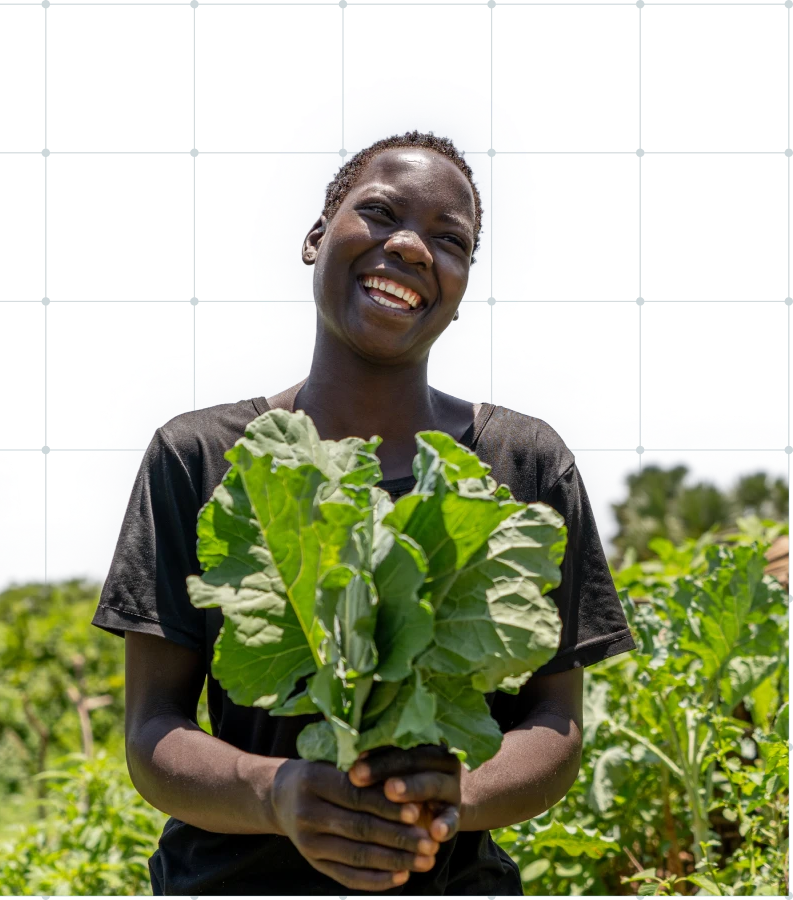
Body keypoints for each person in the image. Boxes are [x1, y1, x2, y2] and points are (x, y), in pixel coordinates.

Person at [92, 130, 637, 896]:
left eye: (450, 241)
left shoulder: (524, 462)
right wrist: (276, 792)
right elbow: (152, 732)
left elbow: (555, 726)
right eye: (380, 213)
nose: (412, 247)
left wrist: (453, 799)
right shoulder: (197, 455)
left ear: (461, 290)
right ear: (316, 237)